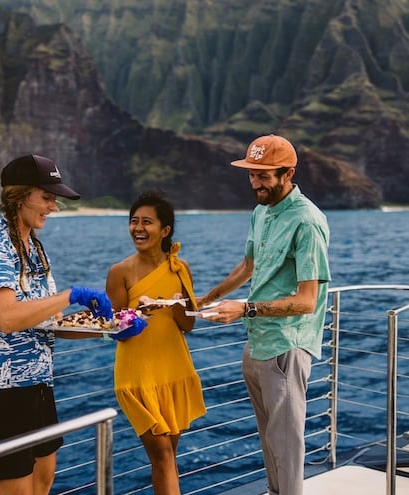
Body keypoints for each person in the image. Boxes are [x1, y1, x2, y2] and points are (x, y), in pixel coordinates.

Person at [0, 154, 115, 495]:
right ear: (19, 197)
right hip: (4, 394)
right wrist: (72, 294)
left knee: (43, 482)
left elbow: (48, 321)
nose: (54, 207)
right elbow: (9, 318)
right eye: (47, 197)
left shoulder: (34, 248)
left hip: (39, 387)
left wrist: (109, 329)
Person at [197, 135, 331, 495]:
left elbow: (307, 300)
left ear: (288, 173)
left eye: (263, 175)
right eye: (251, 174)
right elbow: (248, 265)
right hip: (257, 341)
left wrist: (244, 308)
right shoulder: (261, 211)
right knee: (269, 439)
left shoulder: (308, 221)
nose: (255, 183)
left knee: (287, 445)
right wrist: (205, 298)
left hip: (286, 347)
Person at [105, 190, 206, 495]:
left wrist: (173, 306)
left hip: (174, 369)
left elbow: (188, 324)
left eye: (146, 222)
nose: (138, 228)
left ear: (165, 231)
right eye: (134, 221)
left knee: (168, 457)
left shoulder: (180, 268)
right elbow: (115, 329)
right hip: (137, 376)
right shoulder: (119, 272)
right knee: (161, 455)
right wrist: (137, 315)